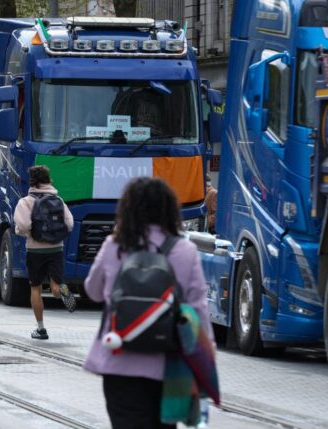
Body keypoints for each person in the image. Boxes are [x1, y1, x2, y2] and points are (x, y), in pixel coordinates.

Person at [83, 177, 212, 429]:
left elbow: (93, 291)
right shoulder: (185, 251)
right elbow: (198, 309)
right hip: (169, 366)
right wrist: (205, 362)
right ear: (169, 210)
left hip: (119, 362)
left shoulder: (115, 245)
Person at [13, 165, 76, 340]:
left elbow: (23, 226)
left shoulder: (25, 202)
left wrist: (22, 231)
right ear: (49, 180)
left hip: (35, 250)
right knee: (55, 284)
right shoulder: (58, 200)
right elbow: (70, 224)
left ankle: (41, 329)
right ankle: (60, 288)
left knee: (36, 288)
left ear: (31, 180)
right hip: (56, 248)